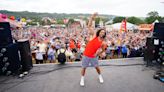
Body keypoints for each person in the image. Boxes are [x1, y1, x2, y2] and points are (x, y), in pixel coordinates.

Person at [80, 12, 107, 86]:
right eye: (101, 32)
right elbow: (89, 26)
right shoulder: (94, 35)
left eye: (103, 33)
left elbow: (104, 49)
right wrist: (92, 17)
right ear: (99, 32)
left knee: (97, 68)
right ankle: (82, 78)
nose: (102, 33)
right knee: (84, 68)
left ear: (104, 34)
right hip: (86, 55)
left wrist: (98, 54)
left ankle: (100, 76)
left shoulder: (103, 42)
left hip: (93, 56)